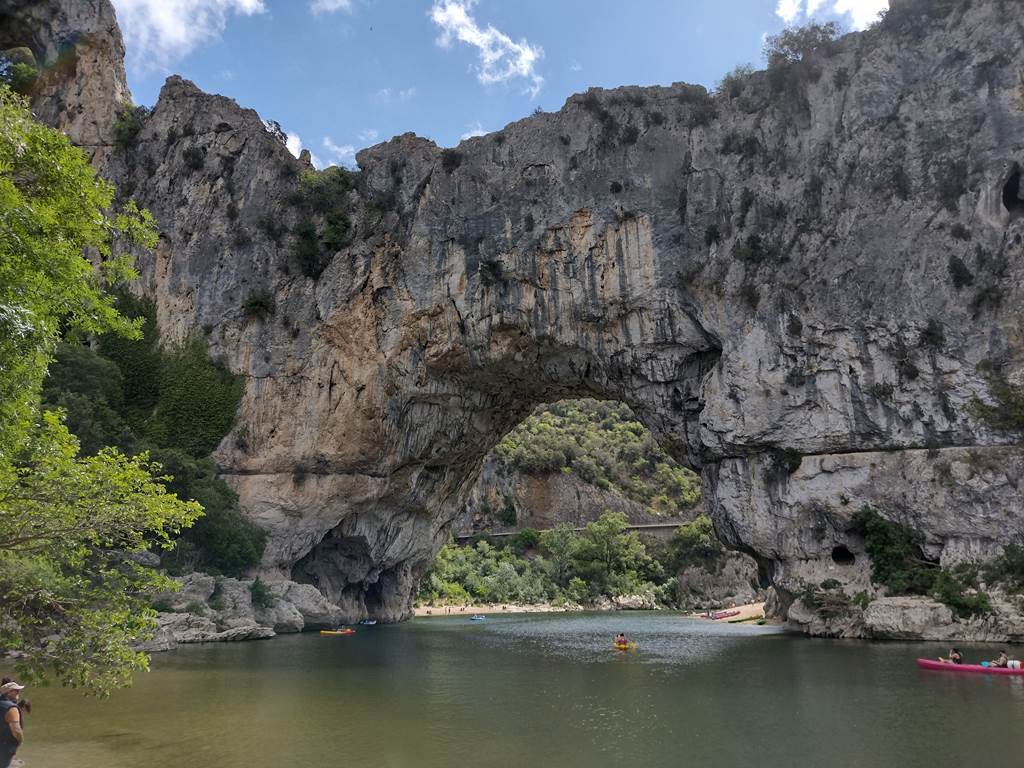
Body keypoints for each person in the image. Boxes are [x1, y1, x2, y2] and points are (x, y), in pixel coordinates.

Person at [0, 681, 24, 768]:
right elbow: (16, 730)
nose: (18, 692)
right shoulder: (11, 708)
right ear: (8, 692)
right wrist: (20, 741)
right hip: (5, 746)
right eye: (16, 690)